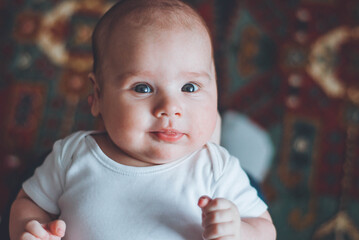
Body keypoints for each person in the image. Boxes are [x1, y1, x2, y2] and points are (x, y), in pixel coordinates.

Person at [9, 0, 276, 239]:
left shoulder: (216, 168)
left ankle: (232, 141)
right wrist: (32, 227)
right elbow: (28, 203)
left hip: (212, 168)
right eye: (143, 88)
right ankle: (238, 143)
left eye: (190, 87)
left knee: (243, 175)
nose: (170, 108)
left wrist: (239, 231)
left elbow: (264, 228)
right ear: (97, 96)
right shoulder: (71, 157)